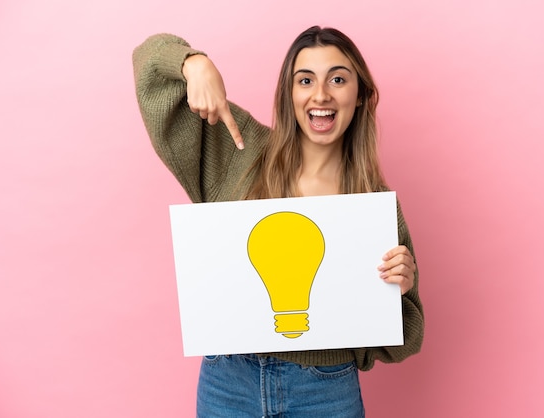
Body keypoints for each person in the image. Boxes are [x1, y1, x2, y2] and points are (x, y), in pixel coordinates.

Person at [133, 25, 424, 417]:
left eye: (338, 79)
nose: (321, 94)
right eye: (305, 80)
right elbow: (149, 66)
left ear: (360, 97)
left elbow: (403, 339)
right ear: (289, 95)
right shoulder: (239, 150)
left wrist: (397, 291)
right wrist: (191, 63)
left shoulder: (372, 205)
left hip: (325, 390)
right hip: (228, 383)